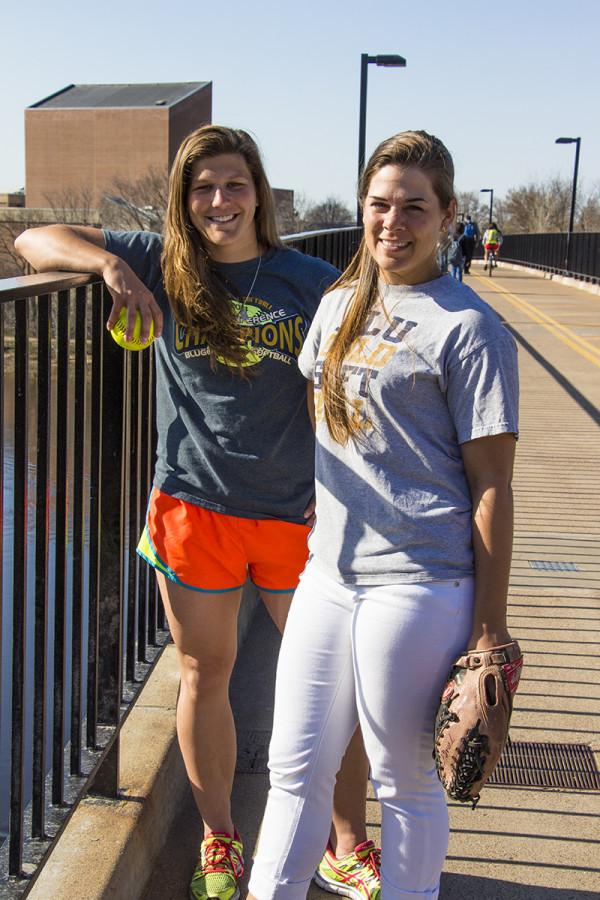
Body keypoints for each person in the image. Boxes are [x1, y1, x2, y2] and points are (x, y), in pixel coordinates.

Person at [14, 125, 378, 900]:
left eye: (234, 184)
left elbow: (373, 351)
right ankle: (220, 841)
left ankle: (347, 843)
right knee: (203, 673)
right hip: (194, 506)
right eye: (203, 187)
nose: (220, 200)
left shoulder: (307, 279)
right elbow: (34, 240)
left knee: (333, 681)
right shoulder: (160, 262)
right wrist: (111, 265)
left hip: (297, 515)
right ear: (185, 199)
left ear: (258, 192)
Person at [248, 130, 519, 900]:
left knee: (403, 778)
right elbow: (319, 405)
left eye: (413, 207)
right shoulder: (337, 304)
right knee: (294, 767)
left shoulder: (469, 328)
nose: (392, 222)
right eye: (378, 204)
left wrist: (489, 627)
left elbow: (493, 485)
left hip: (420, 583)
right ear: (361, 208)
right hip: (328, 574)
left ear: (447, 215)